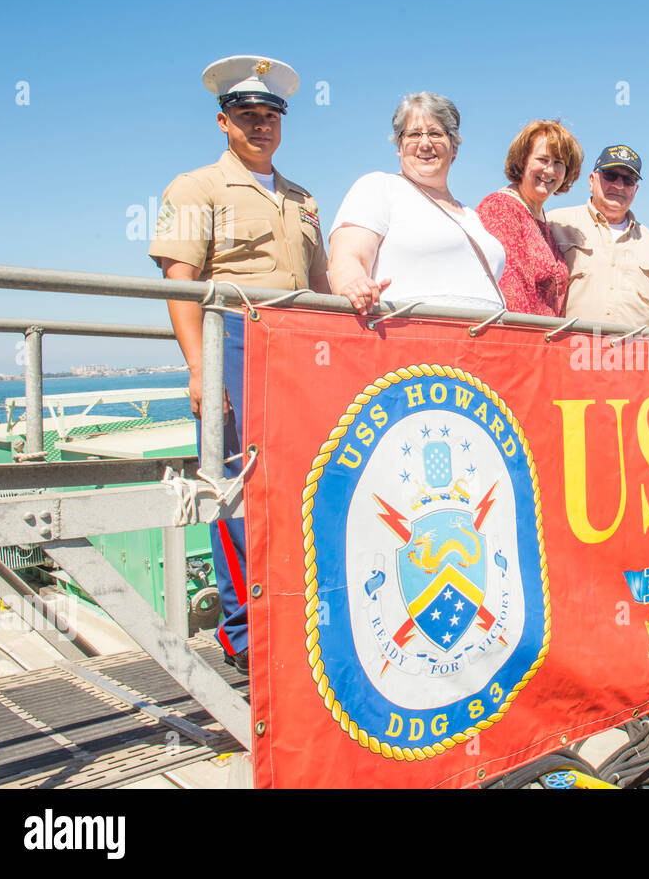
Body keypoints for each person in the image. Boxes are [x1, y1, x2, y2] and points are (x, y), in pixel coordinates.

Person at [148, 55, 332, 674]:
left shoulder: (304, 199)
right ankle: (244, 634)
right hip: (234, 342)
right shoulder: (195, 188)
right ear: (222, 122)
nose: (261, 126)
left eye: (271, 116)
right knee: (237, 486)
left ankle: (294, 618)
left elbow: (321, 283)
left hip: (300, 349)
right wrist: (200, 371)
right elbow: (181, 282)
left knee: (302, 485)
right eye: (248, 116)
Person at [328, 92, 505, 314]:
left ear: (454, 147)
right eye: (413, 134)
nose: (424, 144)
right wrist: (353, 284)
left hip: (486, 342)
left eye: (435, 133)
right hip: (410, 339)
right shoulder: (379, 187)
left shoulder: (471, 216)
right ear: (400, 146)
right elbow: (348, 256)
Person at [548, 145, 649, 337]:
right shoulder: (555, 224)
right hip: (568, 358)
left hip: (632, 362)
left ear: (636, 189)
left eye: (628, 180)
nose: (619, 185)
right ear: (592, 180)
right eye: (610, 175)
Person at [476, 120, 583, 316]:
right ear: (522, 161)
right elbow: (513, 298)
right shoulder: (501, 209)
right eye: (543, 160)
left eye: (558, 163)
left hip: (545, 341)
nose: (550, 170)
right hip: (519, 341)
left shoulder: (541, 219)